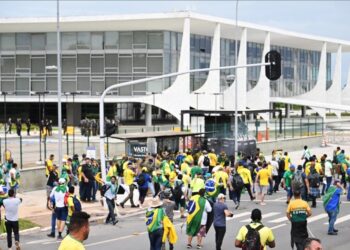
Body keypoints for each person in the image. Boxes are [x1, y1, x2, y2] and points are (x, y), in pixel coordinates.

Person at [286, 183, 312, 250]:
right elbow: (310, 213)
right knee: (304, 236)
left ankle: (299, 247)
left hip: (295, 223)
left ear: (294, 196)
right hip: (303, 222)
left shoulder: (291, 203)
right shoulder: (304, 203)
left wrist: (291, 219)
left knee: (295, 236)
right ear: (300, 195)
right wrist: (305, 216)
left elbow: (287, 213)